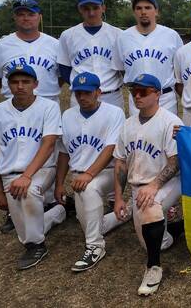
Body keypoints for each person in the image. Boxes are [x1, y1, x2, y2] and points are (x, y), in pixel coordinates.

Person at [0, 0, 63, 233]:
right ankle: (15, 208)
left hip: (48, 100)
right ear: (15, 17)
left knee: (47, 152)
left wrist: (42, 92)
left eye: (30, 14)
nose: (26, 18)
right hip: (14, 104)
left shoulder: (54, 43)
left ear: (39, 16)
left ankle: (48, 202)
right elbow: (0, 78)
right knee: (15, 150)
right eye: (21, 14)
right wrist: (18, 90)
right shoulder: (2, 45)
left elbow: (61, 75)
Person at [0, 64, 66, 269]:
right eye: (15, 82)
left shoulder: (49, 106)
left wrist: (27, 176)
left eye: (26, 82)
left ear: (35, 84)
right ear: (7, 84)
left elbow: (48, 144)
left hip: (43, 169)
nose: (20, 86)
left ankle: (36, 246)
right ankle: (58, 212)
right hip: (9, 173)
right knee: (26, 215)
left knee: (27, 194)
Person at [112, 73, 183, 296]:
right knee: (156, 240)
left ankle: (153, 268)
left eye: (143, 91)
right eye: (134, 91)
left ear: (158, 94)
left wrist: (154, 186)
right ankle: (179, 228)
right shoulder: (127, 124)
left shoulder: (170, 121)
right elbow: (121, 164)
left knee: (148, 208)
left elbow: (175, 162)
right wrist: (119, 197)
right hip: (137, 186)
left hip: (167, 182)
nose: (137, 95)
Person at [54, 72, 128, 272]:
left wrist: (88, 175)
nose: (82, 97)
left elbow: (110, 149)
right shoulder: (68, 115)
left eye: (87, 93)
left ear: (99, 92)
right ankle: (128, 212)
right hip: (79, 176)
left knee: (89, 190)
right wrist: (59, 183)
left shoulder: (114, 112)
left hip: (108, 171)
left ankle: (95, 247)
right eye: (78, 93)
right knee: (92, 224)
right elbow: (63, 153)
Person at [117, 0, 184, 116]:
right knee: (139, 134)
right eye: (139, 8)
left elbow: (179, 68)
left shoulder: (171, 35)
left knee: (167, 134)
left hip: (165, 98)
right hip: (138, 98)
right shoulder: (123, 37)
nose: (143, 12)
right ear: (134, 12)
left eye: (148, 7)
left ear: (156, 11)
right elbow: (121, 69)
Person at [58, 0, 124, 109]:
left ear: (103, 8)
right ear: (80, 9)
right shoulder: (68, 35)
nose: (91, 13)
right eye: (86, 8)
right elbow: (64, 68)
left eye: (95, 7)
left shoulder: (118, 34)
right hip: (81, 96)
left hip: (111, 96)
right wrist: (81, 86)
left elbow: (124, 68)